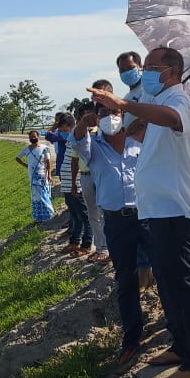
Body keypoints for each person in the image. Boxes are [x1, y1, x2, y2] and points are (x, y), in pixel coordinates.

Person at [89, 47, 190, 378]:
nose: (145, 75)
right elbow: (147, 136)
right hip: (156, 211)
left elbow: (173, 120)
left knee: (185, 287)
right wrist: (133, 122)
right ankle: (180, 343)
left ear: (171, 71)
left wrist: (124, 105)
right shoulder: (159, 102)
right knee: (168, 283)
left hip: (174, 210)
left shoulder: (179, 101)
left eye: (152, 67)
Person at [72, 105, 145, 364]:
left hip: (147, 218)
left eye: (114, 112)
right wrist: (83, 122)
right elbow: (78, 138)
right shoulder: (93, 148)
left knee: (164, 270)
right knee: (126, 280)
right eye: (103, 114)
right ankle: (132, 337)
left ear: (123, 115)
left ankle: (175, 329)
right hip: (116, 222)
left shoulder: (139, 142)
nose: (110, 118)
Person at [116, 51, 156, 287]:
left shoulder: (150, 94)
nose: (126, 73)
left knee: (149, 222)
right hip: (135, 163)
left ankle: (152, 271)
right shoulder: (128, 97)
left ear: (140, 66)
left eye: (129, 67)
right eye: (121, 70)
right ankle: (144, 271)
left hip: (151, 158)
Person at [82, 83, 114, 263]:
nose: (99, 95)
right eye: (95, 94)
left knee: (106, 214)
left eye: (102, 92)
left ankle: (108, 248)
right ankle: (102, 247)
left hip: (112, 180)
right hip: (92, 175)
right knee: (94, 213)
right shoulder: (94, 127)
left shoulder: (122, 121)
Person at [55, 113, 93, 256]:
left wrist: (74, 183)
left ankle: (87, 243)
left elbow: (77, 162)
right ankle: (74, 241)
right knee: (75, 214)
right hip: (67, 182)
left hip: (75, 181)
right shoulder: (71, 138)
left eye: (65, 130)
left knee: (84, 216)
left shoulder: (79, 136)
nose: (64, 133)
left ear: (71, 125)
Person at [14, 131, 55, 223]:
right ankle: (38, 217)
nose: (33, 138)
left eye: (34, 136)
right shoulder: (26, 149)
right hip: (32, 176)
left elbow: (48, 163)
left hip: (43, 176)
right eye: (31, 137)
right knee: (35, 196)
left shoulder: (44, 148)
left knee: (44, 194)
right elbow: (17, 158)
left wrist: (49, 175)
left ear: (38, 137)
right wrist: (26, 165)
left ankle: (48, 214)